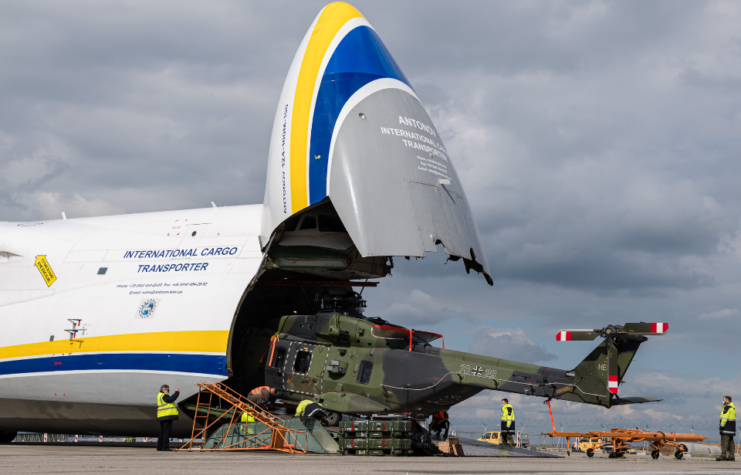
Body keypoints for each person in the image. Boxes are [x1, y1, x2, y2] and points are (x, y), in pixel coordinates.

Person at [156, 385, 179, 451]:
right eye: (168, 390)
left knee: (162, 432)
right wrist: (176, 392)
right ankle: (165, 447)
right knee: (166, 432)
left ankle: (160, 447)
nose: (168, 391)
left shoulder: (159, 395)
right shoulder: (164, 395)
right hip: (167, 415)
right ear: (164, 390)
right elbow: (172, 399)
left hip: (162, 415)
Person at [719, 395, 736, 461]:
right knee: (731, 443)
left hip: (726, 429)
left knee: (724, 443)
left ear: (726, 400)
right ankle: (731, 456)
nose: (723, 401)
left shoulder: (727, 408)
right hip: (732, 429)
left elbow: (724, 419)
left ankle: (723, 455)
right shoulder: (733, 408)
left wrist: (721, 427)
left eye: (723, 400)